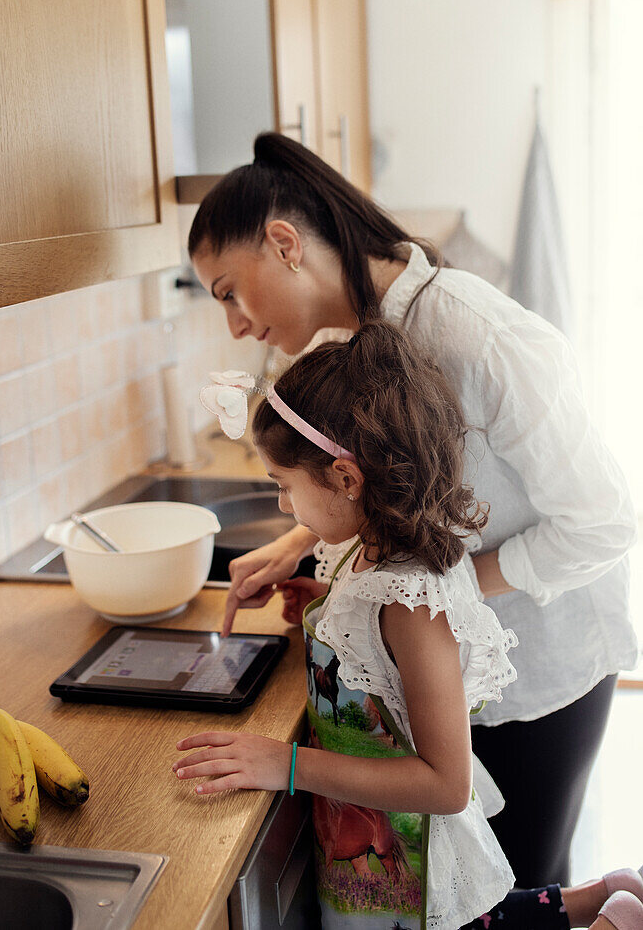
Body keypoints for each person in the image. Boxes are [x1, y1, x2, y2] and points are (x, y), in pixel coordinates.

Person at [187, 132, 638, 887]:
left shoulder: (471, 332)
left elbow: (602, 521)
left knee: (521, 890)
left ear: (283, 242)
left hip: (539, 670)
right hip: (464, 667)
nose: (233, 322)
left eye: (228, 289)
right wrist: (303, 543)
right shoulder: (375, 335)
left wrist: (421, 602)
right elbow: (412, 484)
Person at [175, 321, 643, 930]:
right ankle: (597, 896)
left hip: (411, 867)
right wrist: (322, 601)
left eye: (285, 486)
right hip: (377, 844)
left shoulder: (413, 603)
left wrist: (284, 765)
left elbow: (446, 784)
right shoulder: (359, 548)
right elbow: (376, 648)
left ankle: (616, 921)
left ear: (346, 479)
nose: (284, 507)